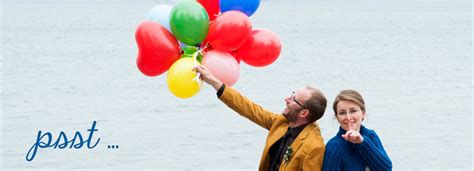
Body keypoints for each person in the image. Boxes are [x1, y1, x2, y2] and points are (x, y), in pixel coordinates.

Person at [194, 65, 327, 171]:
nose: (286, 99)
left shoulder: (314, 147)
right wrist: (212, 81)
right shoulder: (281, 122)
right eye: (292, 94)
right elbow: (248, 108)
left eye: (293, 99)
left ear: (303, 113)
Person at [322, 90, 392, 171]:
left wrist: (362, 142)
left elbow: (386, 168)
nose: (348, 117)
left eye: (353, 111)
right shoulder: (334, 147)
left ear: (363, 113)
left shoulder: (371, 136)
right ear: (337, 117)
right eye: (342, 113)